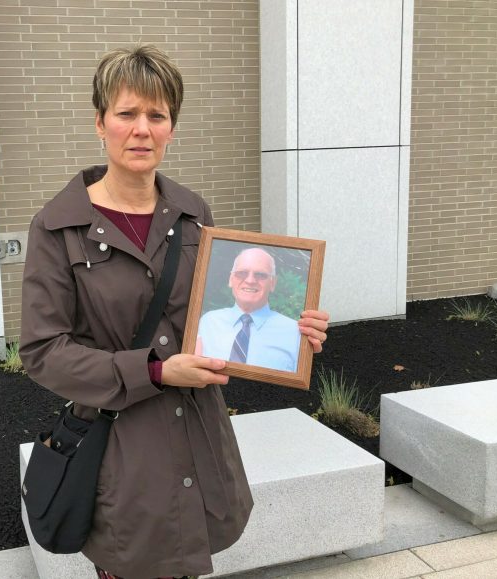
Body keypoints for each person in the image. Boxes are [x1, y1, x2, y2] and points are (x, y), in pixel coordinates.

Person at [20, 45, 329, 579]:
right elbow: (44, 352)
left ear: (171, 128)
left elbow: (218, 309)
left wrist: (291, 330)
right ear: (100, 122)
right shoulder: (58, 226)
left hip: (197, 434)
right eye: (127, 113)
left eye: (157, 115)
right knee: (133, 561)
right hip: (121, 447)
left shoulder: (192, 212)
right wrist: (156, 372)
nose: (142, 128)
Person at [196, 247, 301, 372]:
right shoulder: (208, 322)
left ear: (272, 283)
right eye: (242, 273)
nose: (250, 280)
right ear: (231, 279)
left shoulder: (295, 332)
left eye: (260, 275)